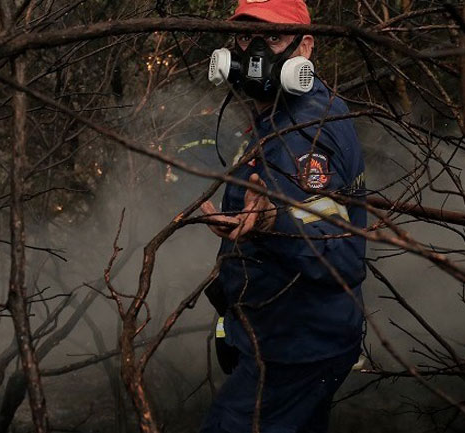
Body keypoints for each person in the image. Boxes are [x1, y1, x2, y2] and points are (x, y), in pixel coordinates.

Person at [200, 1, 367, 432]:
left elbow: (344, 261)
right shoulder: (279, 118)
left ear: (304, 48)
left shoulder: (305, 134)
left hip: (296, 349)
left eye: (272, 38)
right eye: (245, 39)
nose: (255, 55)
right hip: (278, 338)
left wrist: (275, 224)